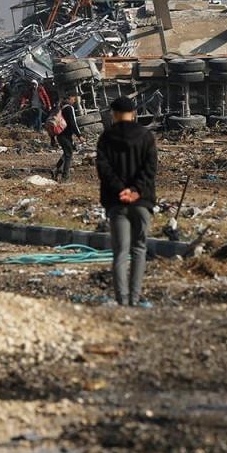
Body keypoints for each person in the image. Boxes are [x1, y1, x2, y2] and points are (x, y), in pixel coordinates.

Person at [96, 96, 158, 306]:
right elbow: (150, 168)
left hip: (117, 202)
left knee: (120, 252)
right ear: (133, 113)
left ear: (113, 114)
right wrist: (136, 190)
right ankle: (134, 297)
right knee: (139, 249)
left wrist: (121, 190)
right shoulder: (146, 136)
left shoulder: (106, 138)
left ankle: (122, 300)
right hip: (142, 202)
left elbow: (104, 169)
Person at [51, 94, 82, 181]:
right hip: (66, 135)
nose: (74, 101)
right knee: (69, 154)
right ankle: (65, 177)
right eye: (73, 99)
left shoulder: (60, 108)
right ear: (69, 98)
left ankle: (56, 169)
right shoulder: (69, 108)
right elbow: (73, 123)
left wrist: (52, 138)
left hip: (59, 135)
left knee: (67, 152)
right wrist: (79, 135)